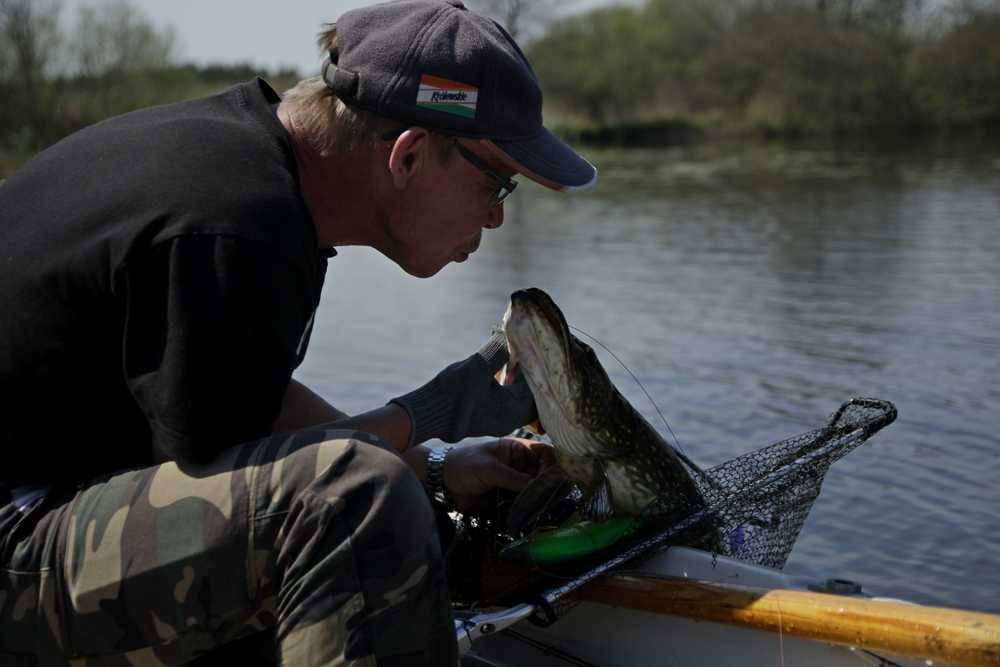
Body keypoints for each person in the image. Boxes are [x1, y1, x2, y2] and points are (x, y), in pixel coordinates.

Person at [0, 0, 596, 664]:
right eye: (499, 185)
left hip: (53, 503)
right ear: (409, 155)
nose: (495, 219)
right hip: (14, 548)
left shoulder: (245, 168)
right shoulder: (235, 225)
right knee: (355, 505)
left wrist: (431, 463)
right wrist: (429, 411)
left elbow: (246, 408)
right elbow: (222, 476)